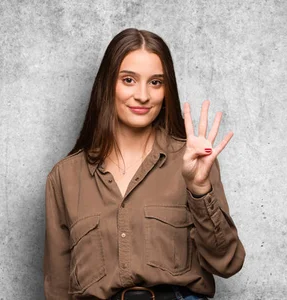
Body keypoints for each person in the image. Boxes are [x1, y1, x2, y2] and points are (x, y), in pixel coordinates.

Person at [44, 28, 245, 300]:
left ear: (166, 90)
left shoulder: (192, 162)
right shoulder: (65, 177)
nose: (143, 95)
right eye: (128, 80)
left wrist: (199, 189)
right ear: (107, 84)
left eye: (155, 83)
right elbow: (58, 287)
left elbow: (228, 262)